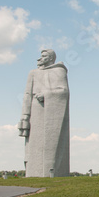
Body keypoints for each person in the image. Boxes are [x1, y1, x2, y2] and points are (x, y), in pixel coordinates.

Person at [18, 49, 70, 177]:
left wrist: (47, 94)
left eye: (44, 56)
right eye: (41, 56)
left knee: (52, 145)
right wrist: (25, 116)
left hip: (51, 111)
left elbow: (64, 91)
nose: (40, 59)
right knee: (34, 144)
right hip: (35, 111)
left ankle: (52, 171)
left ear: (51, 58)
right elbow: (27, 95)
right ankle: (33, 173)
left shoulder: (60, 71)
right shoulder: (33, 73)